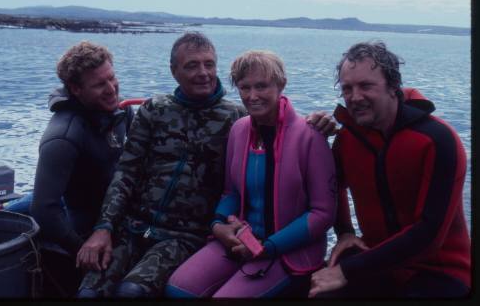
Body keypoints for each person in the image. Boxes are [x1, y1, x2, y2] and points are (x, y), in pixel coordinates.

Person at [75, 32, 248, 298]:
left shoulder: (237, 118)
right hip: (133, 227)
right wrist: (103, 228)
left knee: (131, 292)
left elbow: (279, 125)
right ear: (174, 71)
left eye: (209, 64)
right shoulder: (154, 109)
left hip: (184, 236)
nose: (203, 72)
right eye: (192, 65)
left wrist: (317, 123)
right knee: (89, 293)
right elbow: (126, 173)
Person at [166, 50, 336, 298]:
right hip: (243, 240)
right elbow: (231, 192)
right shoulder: (239, 130)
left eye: (261, 86)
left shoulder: (310, 136)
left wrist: (268, 248)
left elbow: (323, 214)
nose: (252, 96)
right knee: (178, 289)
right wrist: (218, 225)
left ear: (281, 84)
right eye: (245, 88)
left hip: (289, 251)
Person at [309, 41, 471, 298]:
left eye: (366, 86)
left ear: (393, 87)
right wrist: (345, 232)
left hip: (439, 270)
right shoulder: (349, 137)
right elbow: (333, 185)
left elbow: (429, 234)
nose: (354, 97)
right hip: (376, 257)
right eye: (347, 88)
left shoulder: (437, 140)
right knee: (319, 294)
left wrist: (347, 271)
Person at [30, 41, 134, 257]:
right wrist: (80, 251)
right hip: (81, 217)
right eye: (99, 85)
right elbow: (44, 211)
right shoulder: (62, 138)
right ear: (76, 89)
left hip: (113, 207)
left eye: (112, 78)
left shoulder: (121, 112)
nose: (111, 89)